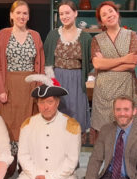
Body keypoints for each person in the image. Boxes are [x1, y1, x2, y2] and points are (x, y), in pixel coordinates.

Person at [0, 0, 45, 164]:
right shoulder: (3, 34)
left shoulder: (35, 35)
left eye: (25, 13)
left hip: (30, 87)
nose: (22, 16)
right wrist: (1, 89)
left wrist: (38, 89)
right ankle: (9, 163)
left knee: (28, 125)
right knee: (9, 125)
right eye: (18, 13)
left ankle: (26, 164)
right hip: (9, 86)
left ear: (28, 16)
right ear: (11, 15)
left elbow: (41, 65)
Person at [90, 1, 137, 144]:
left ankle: (124, 164)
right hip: (103, 93)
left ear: (117, 14)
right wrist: (124, 59)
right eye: (104, 15)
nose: (109, 15)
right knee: (104, 132)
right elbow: (97, 64)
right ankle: (106, 163)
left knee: (125, 129)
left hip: (126, 89)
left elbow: (132, 63)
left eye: (111, 11)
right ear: (101, 21)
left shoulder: (131, 35)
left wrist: (106, 64)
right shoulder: (97, 40)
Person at [44, 0, 92, 140]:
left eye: (67, 13)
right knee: (57, 116)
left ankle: (74, 155)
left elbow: (90, 62)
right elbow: (47, 59)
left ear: (75, 13)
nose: (64, 16)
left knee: (75, 117)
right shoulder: (53, 35)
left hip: (77, 80)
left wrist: (85, 78)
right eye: (61, 14)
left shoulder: (85, 37)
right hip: (57, 79)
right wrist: (52, 82)